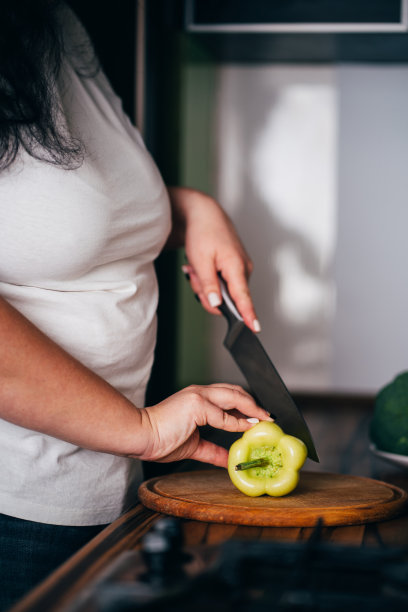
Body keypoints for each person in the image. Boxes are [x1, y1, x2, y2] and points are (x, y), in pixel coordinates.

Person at [0, 2, 269, 608]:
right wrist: (142, 430)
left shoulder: (54, 24)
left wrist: (191, 210)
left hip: (105, 489)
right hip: (14, 508)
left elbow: (61, 218)